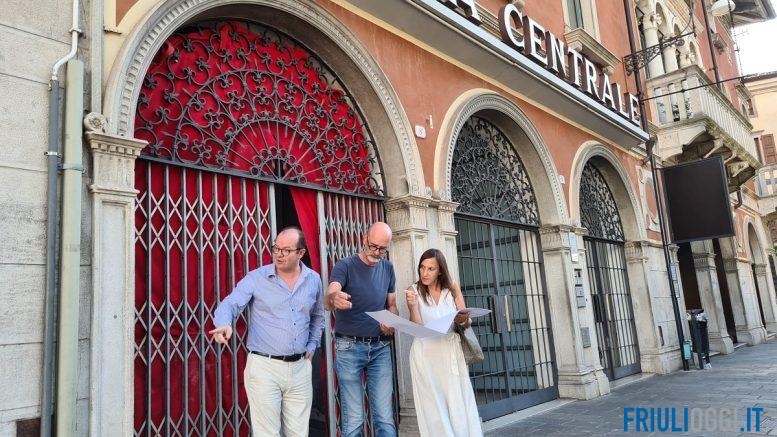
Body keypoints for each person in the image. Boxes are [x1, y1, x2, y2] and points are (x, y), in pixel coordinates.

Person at [209, 227, 324, 437]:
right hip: (265, 367)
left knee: (299, 433)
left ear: (301, 253)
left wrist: (312, 344)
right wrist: (224, 323)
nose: (279, 254)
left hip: (300, 368)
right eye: (276, 248)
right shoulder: (257, 278)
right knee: (267, 434)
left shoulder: (313, 279)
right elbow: (230, 303)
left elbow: (318, 316)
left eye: (286, 250)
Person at [325, 222, 397, 437]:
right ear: (363, 239)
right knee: (354, 419)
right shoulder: (345, 265)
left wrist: (392, 320)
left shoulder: (388, 268)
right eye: (373, 246)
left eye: (382, 249)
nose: (376, 252)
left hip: (380, 348)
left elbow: (392, 304)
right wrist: (334, 298)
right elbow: (330, 296)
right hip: (349, 347)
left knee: (385, 417)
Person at [405, 248, 482, 437]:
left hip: (450, 351)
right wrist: (413, 306)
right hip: (425, 353)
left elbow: (466, 322)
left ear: (440, 270)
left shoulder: (452, 287)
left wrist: (463, 318)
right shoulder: (413, 290)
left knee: (457, 400)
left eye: (431, 269)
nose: (425, 273)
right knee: (432, 405)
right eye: (422, 267)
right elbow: (417, 326)